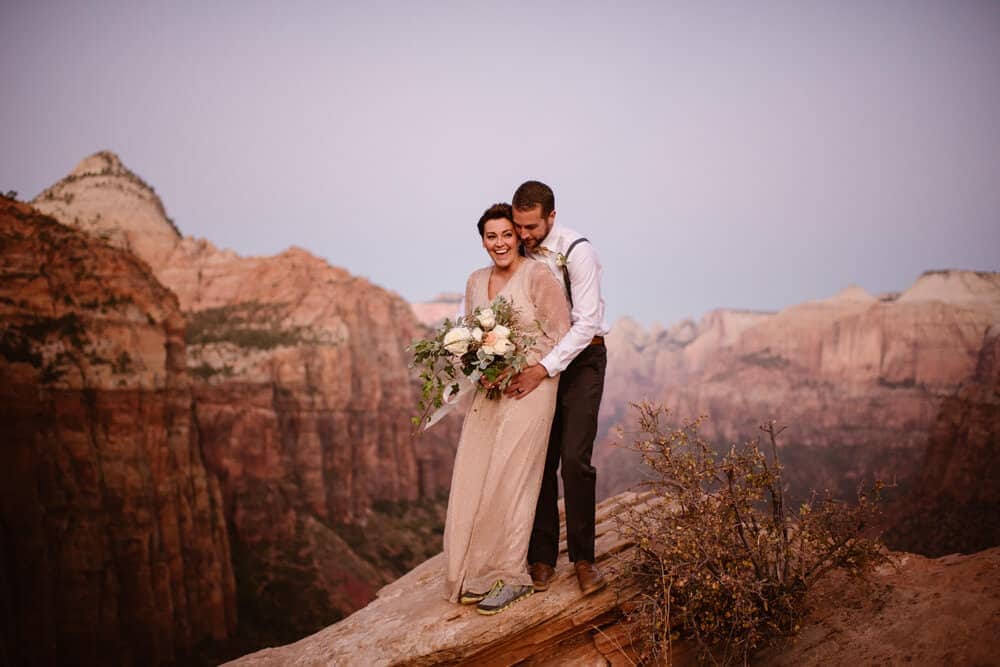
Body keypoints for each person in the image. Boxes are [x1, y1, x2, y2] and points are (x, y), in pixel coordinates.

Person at [442, 203, 571, 615]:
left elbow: (561, 334)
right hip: (489, 391)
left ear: (518, 237)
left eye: (506, 235)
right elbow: (470, 336)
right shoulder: (475, 280)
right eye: (490, 236)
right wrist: (477, 367)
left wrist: (529, 368)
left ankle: (512, 576)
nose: (499, 243)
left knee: (514, 477)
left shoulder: (538, 276)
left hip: (531, 388)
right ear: (482, 240)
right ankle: (477, 573)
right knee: (477, 474)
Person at [504, 180, 610, 596]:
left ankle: (584, 560)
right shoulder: (519, 248)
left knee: (575, 459)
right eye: (519, 226)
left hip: (583, 360)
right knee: (540, 458)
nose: (524, 235)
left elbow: (586, 324)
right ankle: (542, 558)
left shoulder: (578, 250)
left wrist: (542, 370)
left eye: (531, 226)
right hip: (537, 360)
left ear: (551, 216)